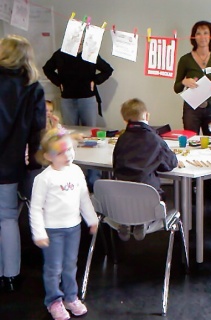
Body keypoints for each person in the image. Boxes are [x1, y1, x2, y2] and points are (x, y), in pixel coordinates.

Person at [29, 128, 98, 320]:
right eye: (60, 152)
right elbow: (35, 208)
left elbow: (84, 198)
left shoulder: (76, 171)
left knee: (70, 264)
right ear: (48, 157)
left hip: (73, 228)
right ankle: (53, 300)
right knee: (54, 267)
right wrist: (39, 233)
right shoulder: (44, 179)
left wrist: (91, 219)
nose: (67, 155)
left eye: (69, 149)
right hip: (52, 231)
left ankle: (70, 297)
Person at [0, 35, 46, 292]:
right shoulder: (33, 87)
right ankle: (11, 275)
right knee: (7, 217)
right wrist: (32, 166)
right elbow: (37, 131)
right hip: (9, 162)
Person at [174, 21, 211, 202]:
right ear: (193, 36)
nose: (202, 36)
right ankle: (190, 187)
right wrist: (184, 82)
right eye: (198, 33)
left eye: (206, 33)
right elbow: (176, 87)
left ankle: (209, 187)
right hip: (192, 108)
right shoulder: (185, 59)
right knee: (190, 145)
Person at [113, 98, 179, 241]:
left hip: (121, 197)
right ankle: (144, 219)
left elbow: (115, 164)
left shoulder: (121, 139)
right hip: (148, 197)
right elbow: (170, 163)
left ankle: (125, 219)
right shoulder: (154, 139)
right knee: (164, 196)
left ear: (125, 120)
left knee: (131, 188)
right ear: (147, 116)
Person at [42, 34, 113, 126]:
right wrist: (58, 82)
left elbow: (108, 70)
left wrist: (95, 80)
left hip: (87, 98)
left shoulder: (90, 54)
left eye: (81, 42)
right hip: (67, 98)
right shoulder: (60, 54)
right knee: (70, 129)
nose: (79, 45)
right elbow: (47, 69)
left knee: (89, 129)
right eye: (77, 42)